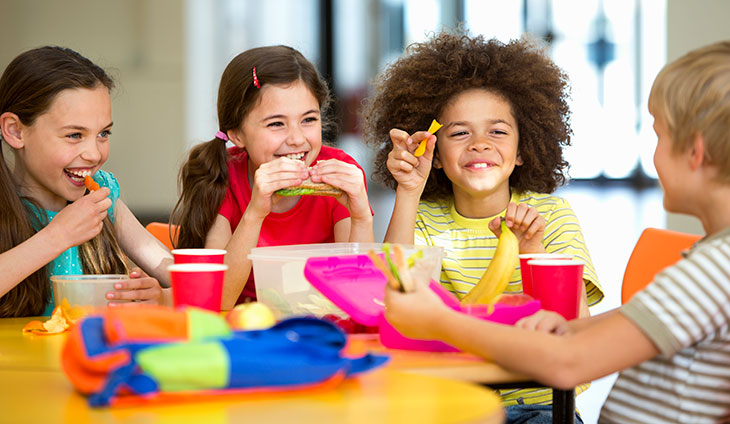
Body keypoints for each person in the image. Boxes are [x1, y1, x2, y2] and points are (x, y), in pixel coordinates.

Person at [385, 40, 730, 423]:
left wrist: (439, 320)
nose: (653, 154)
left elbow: (568, 365)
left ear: (695, 153)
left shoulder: (717, 267)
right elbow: (593, 330)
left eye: (659, 136)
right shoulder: (712, 261)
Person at [362, 31, 603, 420]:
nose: (479, 144)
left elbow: (576, 327)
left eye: (498, 131)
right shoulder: (421, 217)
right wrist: (409, 192)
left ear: (524, 149)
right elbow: (391, 296)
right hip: (448, 401)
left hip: (536, 403)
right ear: (435, 154)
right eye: (459, 133)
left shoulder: (552, 216)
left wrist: (532, 250)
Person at [172, 46, 373, 310]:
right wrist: (255, 212)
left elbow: (359, 295)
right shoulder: (223, 176)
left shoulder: (340, 173)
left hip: (321, 322)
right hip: (244, 325)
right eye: (276, 124)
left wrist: (360, 216)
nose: (297, 139)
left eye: (308, 120)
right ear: (236, 135)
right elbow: (219, 300)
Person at [0, 46, 173, 318]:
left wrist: (163, 297)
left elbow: (177, 274)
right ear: (15, 131)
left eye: (103, 133)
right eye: (74, 135)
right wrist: (56, 236)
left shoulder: (103, 195)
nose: (94, 154)